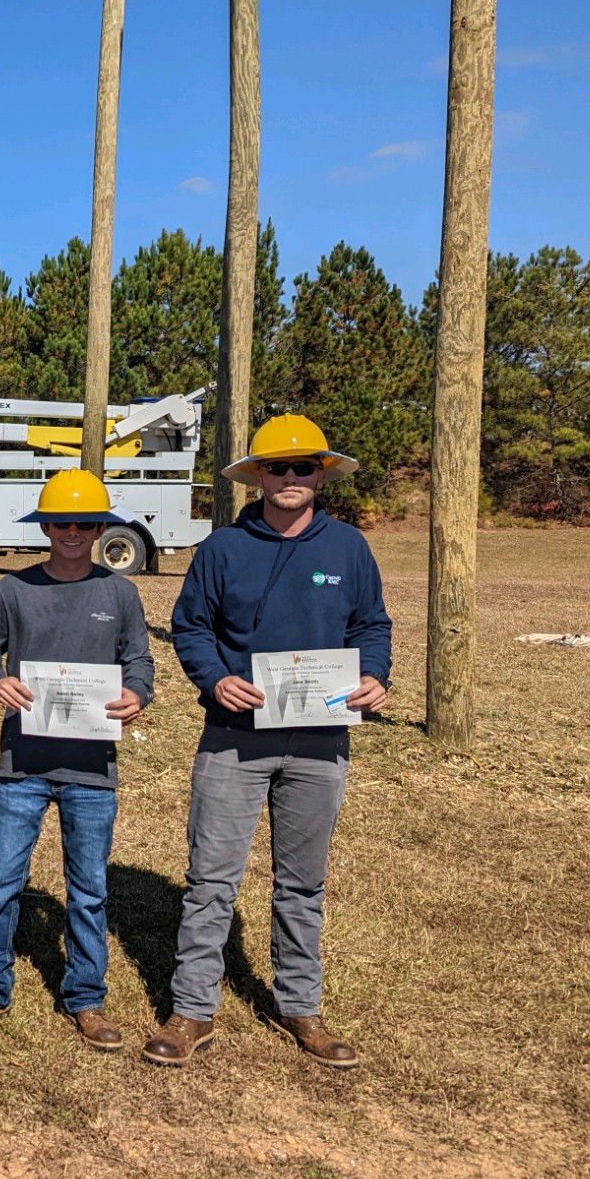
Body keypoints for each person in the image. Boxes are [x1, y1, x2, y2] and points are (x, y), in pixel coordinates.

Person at [143, 414, 392, 1070]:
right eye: (275, 468)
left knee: (301, 882)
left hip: (318, 743)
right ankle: (191, 1009)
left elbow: (371, 623)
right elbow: (189, 626)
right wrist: (215, 678)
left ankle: (299, 1006)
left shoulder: (348, 549)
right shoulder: (222, 548)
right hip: (232, 740)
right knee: (209, 881)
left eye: (301, 467)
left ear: (319, 474)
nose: (288, 478)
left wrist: (373, 675)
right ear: (255, 476)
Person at [0, 470, 153, 1050]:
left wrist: (138, 693)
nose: (70, 532)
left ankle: (86, 998)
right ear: (44, 526)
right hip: (22, 765)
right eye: (60, 522)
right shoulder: (13, 591)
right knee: (0, 881)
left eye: (83, 523)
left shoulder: (120, 594)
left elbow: (139, 661)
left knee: (87, 889)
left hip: (91, 773)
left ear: (99, 528)